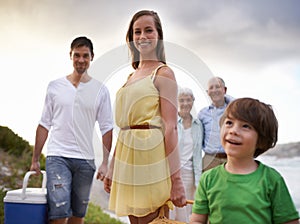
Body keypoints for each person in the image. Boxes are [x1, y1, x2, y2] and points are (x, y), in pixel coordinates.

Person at [103, 10, 186, 224]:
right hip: (126, 159)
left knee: (154, 220)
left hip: (151, 158)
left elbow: (170, 127)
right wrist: (112, 168)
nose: (142, 36)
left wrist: (176, 180)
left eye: (148, 30)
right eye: (136, 32)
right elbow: (125, 128)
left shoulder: (163, 73)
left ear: (158, 35)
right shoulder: (130, 76)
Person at [30, 36, 113, 224]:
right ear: (71, 55)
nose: (81, 60)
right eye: (77, 55)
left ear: (92, 57)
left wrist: (105, 163)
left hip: (86, 161)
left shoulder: (100, 90)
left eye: (85, 56)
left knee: (78, 215)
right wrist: (35, 159)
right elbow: (44, 124)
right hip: (57, 157)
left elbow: (106, 127)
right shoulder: (55, 87)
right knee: (59, 212)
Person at [190, 97, 300, 224]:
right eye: (229, 123)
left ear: (261, 139)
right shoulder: (208, 179)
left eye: (246, 126)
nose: (233, 131)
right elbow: (197, 220)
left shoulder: (271, 180)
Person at [169, 87, 203, 222]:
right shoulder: (171, 121)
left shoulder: (198, 124)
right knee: (171, 211)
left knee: (186, 211)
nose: (185, 103)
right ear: (177, 102)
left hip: (190, 174)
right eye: (181, 100)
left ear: (193, 101)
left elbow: (198, 153)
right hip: (173, 172)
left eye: (188, 100)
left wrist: (198, 179)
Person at [198, 76, 234, 172]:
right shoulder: (202, 114)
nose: (214, 90)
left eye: (218, 87)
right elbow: (198, 139)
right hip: (210, 159)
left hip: (231, 159)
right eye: (211, 88)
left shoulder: (234, 110)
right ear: (207, 92)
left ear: (224, 90)